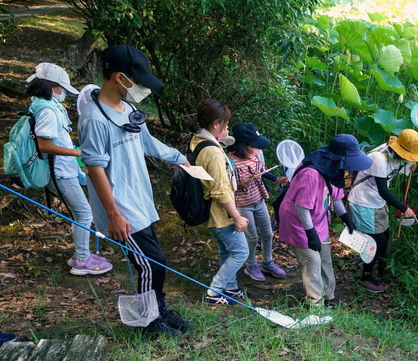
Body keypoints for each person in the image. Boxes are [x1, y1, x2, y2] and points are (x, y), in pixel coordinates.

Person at [78, 45, 193, 335]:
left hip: (139, 198)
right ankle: (149, 321)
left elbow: (148, 142)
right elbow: (94, 169)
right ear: (120, 78)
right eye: (138, 81)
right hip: (120, 206)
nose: (142, 88)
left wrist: (180, 158)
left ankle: (159, 309)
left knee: (153, 261)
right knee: (152, 263)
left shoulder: (127, 108)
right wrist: (113, 214)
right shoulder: (94, 118)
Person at [25, 63, 113, 276]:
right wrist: (78, 153)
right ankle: (82, 260)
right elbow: (44, 144)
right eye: (62, 88)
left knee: (81, 212)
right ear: (53, 87)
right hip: (60, 172)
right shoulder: (47, 110)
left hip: (64, 169)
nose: (64, 92)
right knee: (84, 213)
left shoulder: (44, 106)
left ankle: (82, 254)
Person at [279, 134, 372, 306]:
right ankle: (315, 304)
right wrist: (310, 233)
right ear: (340, 158)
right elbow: (302, 207)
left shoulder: (334, 169)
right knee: (312, 263)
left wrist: (346, 217)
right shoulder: (312, 174)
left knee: (325, 259)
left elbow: (335, 198)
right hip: (299, 222)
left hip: (318, 219)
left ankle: (329, 295)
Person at [347, 129, 418, 293]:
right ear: (400, 150)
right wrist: (405, 209)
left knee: (385, 238)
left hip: (377, 202)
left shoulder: (396, 155)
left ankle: (382, 271)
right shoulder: (379, 158)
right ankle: (366, 277)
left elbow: (393, 171)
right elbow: (383, 190)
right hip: (364, 202)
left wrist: (409, 167)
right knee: (375, 243)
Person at [190, 100, 250, 306]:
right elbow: (220, 189)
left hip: (211, 210)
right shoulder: (213, 152)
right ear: (216, 124)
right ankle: (214, 292)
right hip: (220, 212)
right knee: (241, 252)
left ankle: (230, 287)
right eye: (225, 125)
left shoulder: (198, 141)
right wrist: (237, 217)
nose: (227, 129)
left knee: (227, 251)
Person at [228, 123, 288, 282]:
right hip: (242, 204)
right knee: (252, 237)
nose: (256, 150)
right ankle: (251, 265)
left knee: (268, 233)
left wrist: (276, 179)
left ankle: (268, 262)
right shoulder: (230, 161)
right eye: (253, 147)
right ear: (242, 145)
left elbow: (263, 172)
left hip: (259, 200)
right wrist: (239, 185)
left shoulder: (257, 156)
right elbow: (224, 185)